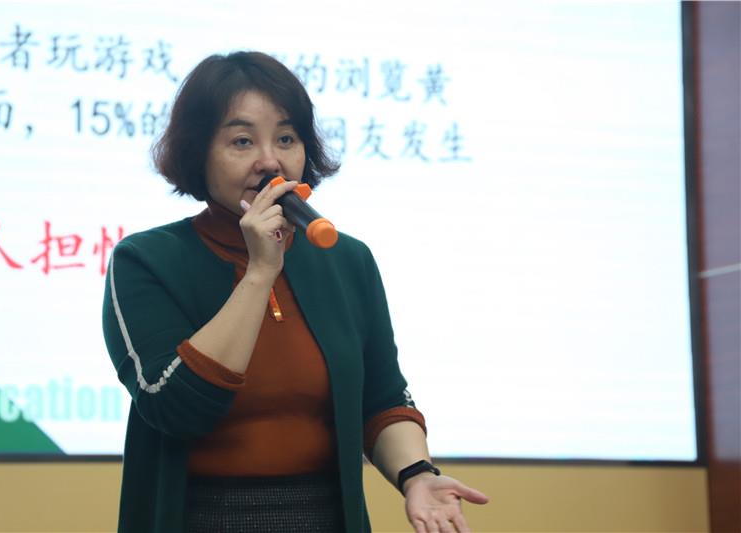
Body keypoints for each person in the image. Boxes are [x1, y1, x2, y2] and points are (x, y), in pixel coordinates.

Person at [102, 50, 488, 533]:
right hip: (200, 517)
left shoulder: (346, 258)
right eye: (242, 141)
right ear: (198, 153)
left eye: (286, 138)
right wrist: (260, 272)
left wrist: (417, 475)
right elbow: (173, 406)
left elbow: (383, 397)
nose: (271, 161)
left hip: (324, 516)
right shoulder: (146, 259)